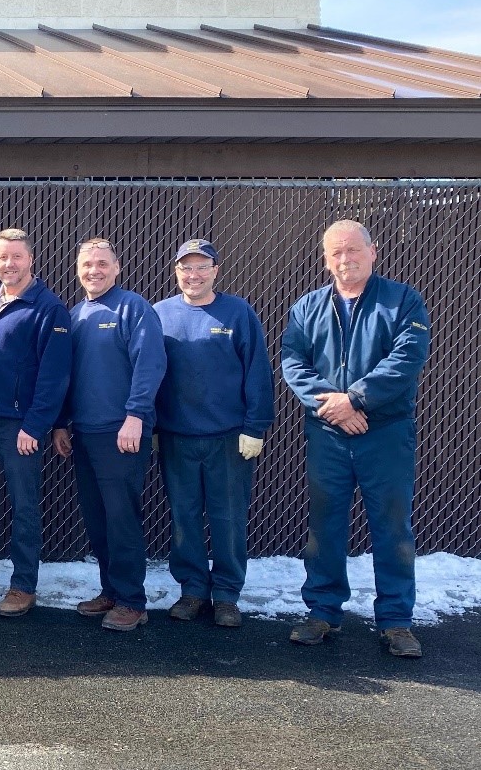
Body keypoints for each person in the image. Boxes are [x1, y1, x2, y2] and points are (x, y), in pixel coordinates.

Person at [281, 220, 430, 658]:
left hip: (384, 433)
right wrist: (334, 407)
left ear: (373, 251)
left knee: (392, 527)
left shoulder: (403, 300)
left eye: (352, 251)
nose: (344, 260)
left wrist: (357, 401)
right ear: (325, 259)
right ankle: (322, 612)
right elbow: (293, 361)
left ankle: (396, 621)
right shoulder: (307, 307)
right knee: (324, 527)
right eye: (335, 254)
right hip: (328, 433)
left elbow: (406, 360)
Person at [154, 239, 275, 628]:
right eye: (185, 268)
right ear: (176, 273)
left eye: (201, 267)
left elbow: (258, 371)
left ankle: (225, 595)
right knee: (184, 517)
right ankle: (191, 590)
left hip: (227, 437)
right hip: (177, 436)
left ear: (215, 271)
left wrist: (255, 426)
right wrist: (153, 425)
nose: (193, 275)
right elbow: (150, 376)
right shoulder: (159, 315)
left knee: (227, 517)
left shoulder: (237, 312)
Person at [53, 237, 166, 632]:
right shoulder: (75, 314)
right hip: (83, 433)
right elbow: (67, 377)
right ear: (78, 269)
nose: (94, 270)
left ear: (117, 268)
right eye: (87, 264)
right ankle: (110, 592)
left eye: (102, 263)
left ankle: (133, 601)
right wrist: (61, 423)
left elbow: (149, 365)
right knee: (98, 519)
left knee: (121, 518)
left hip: (121, 434)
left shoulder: (134, 308)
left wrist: (136, 416)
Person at [0, 229, 71, 617]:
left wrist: (35, 426)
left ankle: (23, 585)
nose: (9, 264)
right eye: (2, 257)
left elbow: (55, 376)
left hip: (20, 426)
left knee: (24, 505)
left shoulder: (48, 308)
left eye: (16, 257)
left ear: (31, 260)